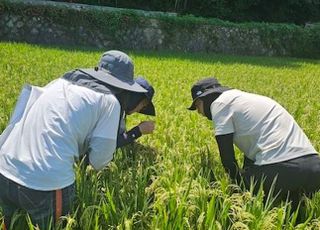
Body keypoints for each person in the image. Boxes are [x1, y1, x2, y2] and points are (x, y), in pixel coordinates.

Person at [0, 50, 155, 229]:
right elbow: (99, 161)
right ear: (124, 87)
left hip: (5, 168)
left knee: (10, 223)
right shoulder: (108, 101)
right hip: (43, 183)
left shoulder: (60, 82)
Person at [188, 77, 320, 208]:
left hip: (280, 170)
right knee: (293, 216)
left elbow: (227, 159)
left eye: (197, 105)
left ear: (204, 98)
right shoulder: (251, 99)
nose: (199, 112)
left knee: (237, 202)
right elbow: (254, 148)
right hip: (314, 168)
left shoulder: (219, 104)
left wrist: (238, 186)